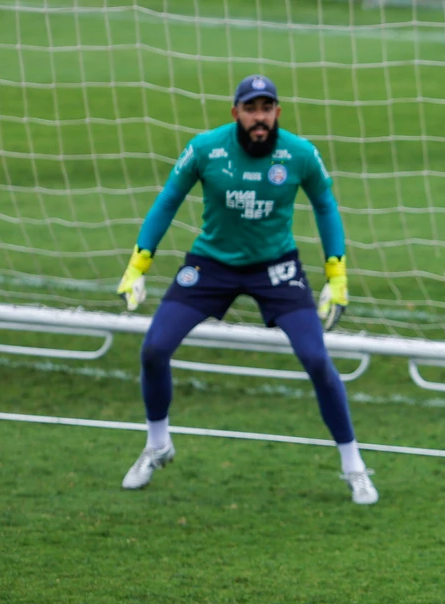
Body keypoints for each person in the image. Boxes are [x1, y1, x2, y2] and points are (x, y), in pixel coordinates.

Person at [114, 75, 377, 504]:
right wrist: (138, 264)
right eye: (251, 109)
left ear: (278, 112)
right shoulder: (205, 149)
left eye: (267, 108)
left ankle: (354, 466)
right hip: (211, 265)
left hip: (276, 268)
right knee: (154, 348)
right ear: (235, 112)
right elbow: (168, 200)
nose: (260, 118)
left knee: (315, 358)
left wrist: (337, 275)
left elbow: (326, 206)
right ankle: (157, 445)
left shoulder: (300, 153)